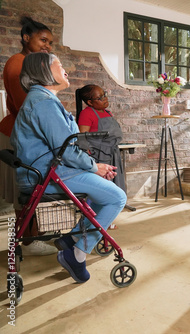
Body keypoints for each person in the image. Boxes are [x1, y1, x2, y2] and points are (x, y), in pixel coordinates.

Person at [11, 52, 127, 283]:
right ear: (44, 69)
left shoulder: (41, 99)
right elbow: (65, 150)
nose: (66, 70)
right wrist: (94, 168)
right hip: (47, 175)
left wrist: (95, 167)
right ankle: (77, 253)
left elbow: (64, 148)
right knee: (116, 198)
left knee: (101, 191)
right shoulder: (43, 103)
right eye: (60, 65)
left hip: (48, 171)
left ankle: (71, 239)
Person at [0, 16, 57, 255]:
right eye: (43, 40)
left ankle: (30, 237)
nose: (48, 45)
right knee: (26, 191)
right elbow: (30, 107)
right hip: (17, 133)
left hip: (22, 132)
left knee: (32, 189)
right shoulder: (18, 63)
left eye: (50, 42)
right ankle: (29, 240)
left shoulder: (28, 62)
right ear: (26, 38)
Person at [76, 84, 125, 229]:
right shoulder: (87, 113)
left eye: (104, 94)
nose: (105, 99)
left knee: (111, 189)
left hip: (111, 154)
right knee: (98, 192)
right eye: (100, 97)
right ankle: (93, 223)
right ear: (90, 102)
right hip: (98, 157)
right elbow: (82, 138)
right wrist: (89, 159)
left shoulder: (107, 112)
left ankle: (105, 220)